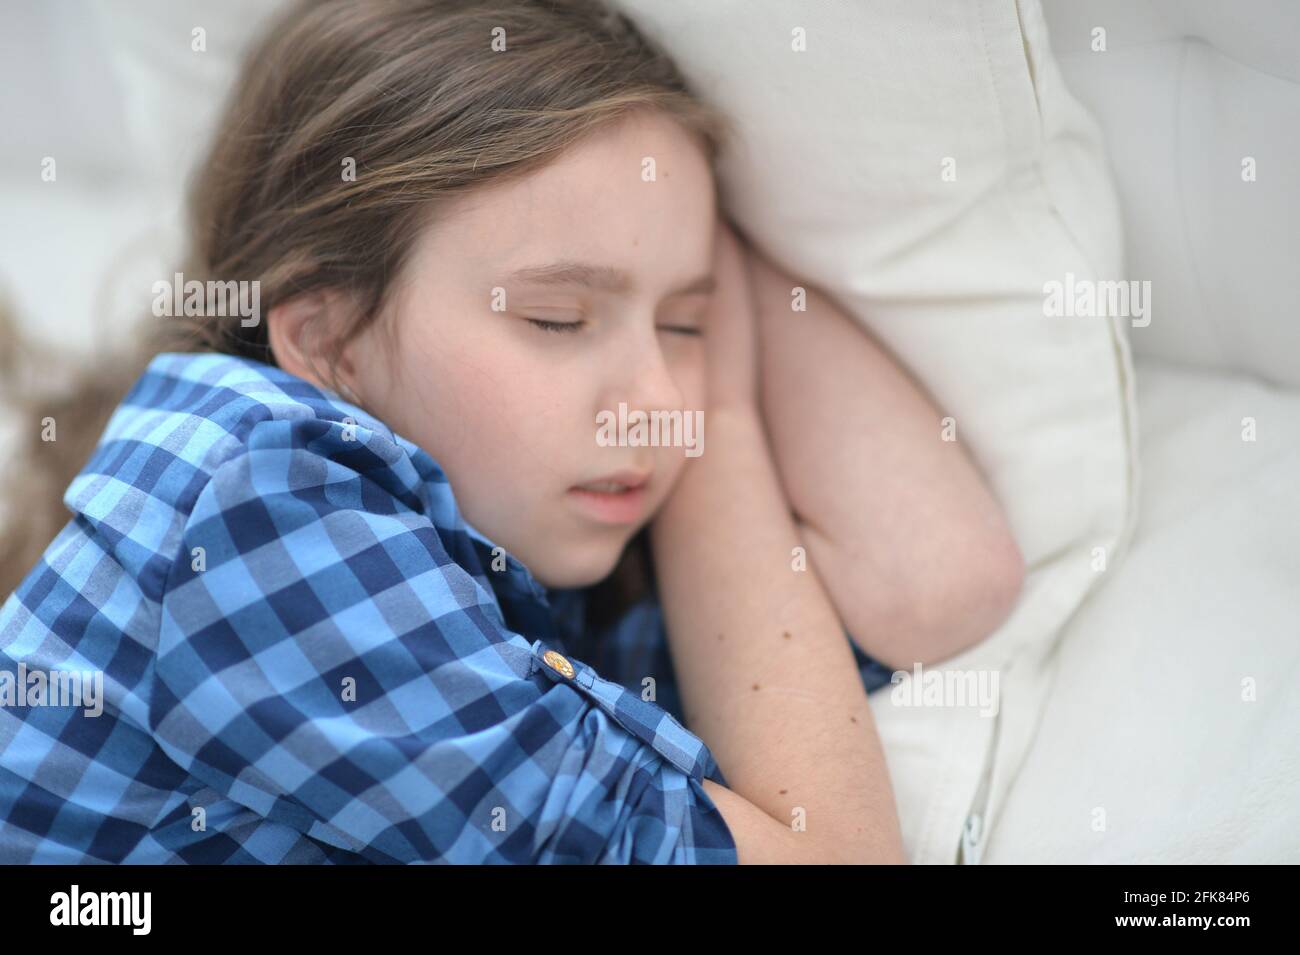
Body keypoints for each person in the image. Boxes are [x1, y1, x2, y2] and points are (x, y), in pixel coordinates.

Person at [0, 0, 1021, 863]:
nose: (652, 395)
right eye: (558, 319)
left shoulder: (517, 568)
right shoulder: (259, 505)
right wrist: (708, 391)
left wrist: (710, 400)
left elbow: (935, 576)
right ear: (331, 338)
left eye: (687, 324)